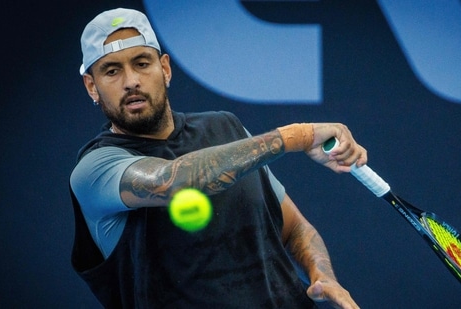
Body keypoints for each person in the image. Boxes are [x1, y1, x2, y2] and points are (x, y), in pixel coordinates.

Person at [69, 8, 366, 309]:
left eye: (142, 63)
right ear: (92, 86)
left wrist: (321, 273)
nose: (131, 81)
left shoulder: (227, 128)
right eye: (112, 71)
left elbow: (293, 228)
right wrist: (297, 136)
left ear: (165, 69)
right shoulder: (94, 169)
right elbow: (175, 182)